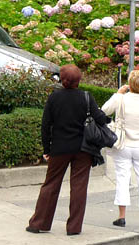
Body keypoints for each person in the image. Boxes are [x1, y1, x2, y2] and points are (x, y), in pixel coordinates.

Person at [27, 64, 110, 236]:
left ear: (62, 80)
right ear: (79, 80)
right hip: (83, 149)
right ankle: (74, 228)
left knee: (50, 185)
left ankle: (38, 223)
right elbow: (100, 119)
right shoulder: (87, 97)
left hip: (59, 148)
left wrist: (46, 148)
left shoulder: (54, 97)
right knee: (79, 187)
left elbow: (45, 125)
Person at [101, 69, 139, 229]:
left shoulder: (121, 99)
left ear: (129, 84)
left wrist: (118, 93)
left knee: (122, 179)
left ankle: (122, 216)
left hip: (123, 144)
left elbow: (104, 110)